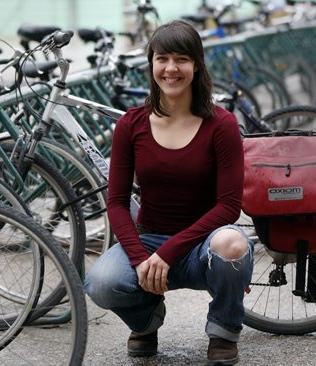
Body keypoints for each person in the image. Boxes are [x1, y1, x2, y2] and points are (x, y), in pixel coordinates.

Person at [84, 20, 253, 366]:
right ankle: (145, 322)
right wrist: (140, 257)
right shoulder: (131, 124)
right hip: (150, 241)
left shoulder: (221, 124)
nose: (171, 68)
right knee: (102, 282)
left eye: (181, 59)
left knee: (233, 244)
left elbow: (229, 206)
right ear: (151, 64)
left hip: (204, 245)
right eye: (162, 59)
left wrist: (169, 252)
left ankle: (223, 331)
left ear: (196, 65)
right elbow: (116, 202)